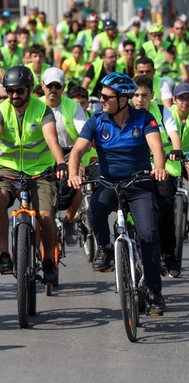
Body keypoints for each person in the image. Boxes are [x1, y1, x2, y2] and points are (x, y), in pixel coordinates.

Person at [67, 73, 167, 313]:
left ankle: (154, 291)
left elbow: (156, 146)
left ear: (123, 99)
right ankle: (105, 247)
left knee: (148, 235)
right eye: (101, 95)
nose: (101, 100)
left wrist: (159, 168)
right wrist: (73, 174)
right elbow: (77, 151)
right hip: (109, 184)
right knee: (95, 212)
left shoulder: (144, 118)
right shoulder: (97, 121)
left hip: (139, 184)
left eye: (106, 96)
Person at [0, 66, 67, 284]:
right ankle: (4, 255)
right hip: (7, 169)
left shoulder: (42, 110)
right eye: (10, 91)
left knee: (45, 216)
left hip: (40, 171)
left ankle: (47, 260)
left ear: (28, 89)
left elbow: (51, 140)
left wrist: (61, 163)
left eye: (19, 91)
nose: (14, 95)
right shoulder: (0, 111)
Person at [133, 76, 183, 278]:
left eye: (144, 95)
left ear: (152, 95)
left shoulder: (163, 111)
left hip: (164, 168)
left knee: (164, 208)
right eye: (135, 95)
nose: (139, 99)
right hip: (136, 168)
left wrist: (177, 149)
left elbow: (173, 133)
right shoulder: (125, 113)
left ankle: (169, 253)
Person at [39, 68, 88, 243]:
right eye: (49, 85)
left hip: (70, 154)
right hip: (42, 157)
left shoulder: (73, 106)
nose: (53, 89)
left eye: (57, 86)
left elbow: (84, 132)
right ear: (42, 86)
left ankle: (69, 220)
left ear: (63, 87)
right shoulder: (34, 105)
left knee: (76, 182)